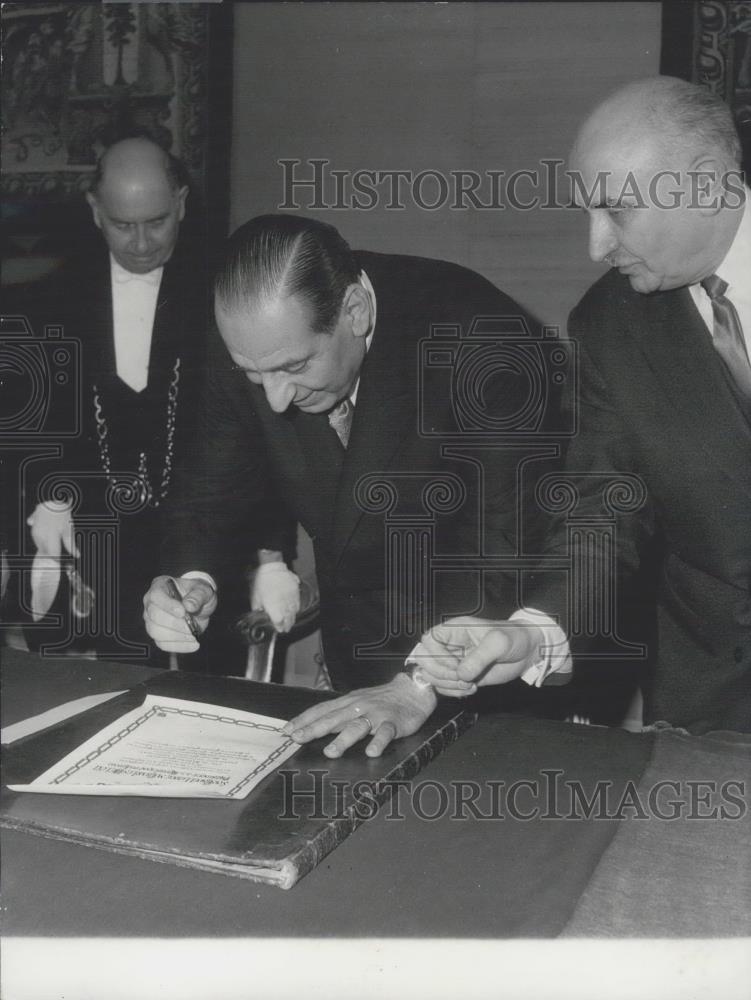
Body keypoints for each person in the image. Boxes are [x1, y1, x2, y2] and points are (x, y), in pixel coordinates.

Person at [287, 74, 750, 751]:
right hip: (713, 705)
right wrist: (532, 631)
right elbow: (603, 508)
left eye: (615, 211)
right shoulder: (610, 323)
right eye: (585, 212)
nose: (594, 246)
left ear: (706, 184)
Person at [144, 213, 563, 723]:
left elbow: (505, 550)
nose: (274, 400)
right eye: (253, 374)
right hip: (354, 659)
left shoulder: (485, 343)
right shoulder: (254, 342)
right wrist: (190, 580)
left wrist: (419, 682)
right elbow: (209, 489)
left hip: (484, 673)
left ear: (356, 311)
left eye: (295, 368)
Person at [22, 136, 210, 661]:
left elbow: (252, 435)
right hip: (81, 542)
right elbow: (25, 424)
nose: (144, 242)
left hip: (186, 545)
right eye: (124, 225)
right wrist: (46, 494)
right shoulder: (48, 299)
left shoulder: (217, 292)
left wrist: (269, 557)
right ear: (95, 211)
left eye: (158, 221)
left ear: (181, 203)